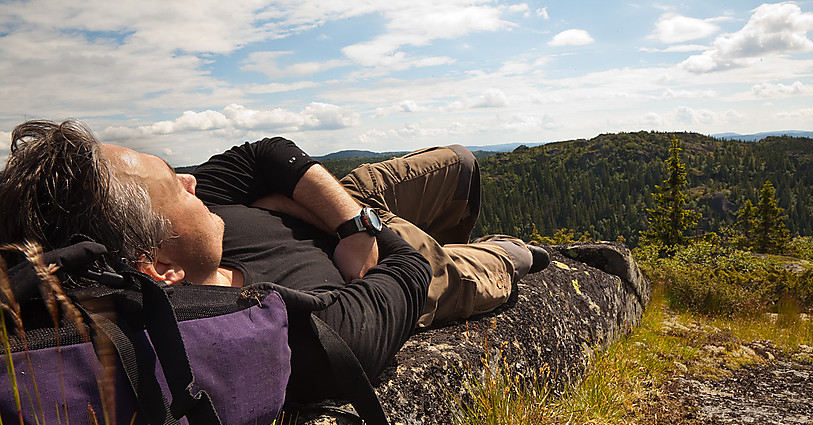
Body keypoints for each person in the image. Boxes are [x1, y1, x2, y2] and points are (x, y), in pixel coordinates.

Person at [0, 119, 547, 379]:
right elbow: (375, 310)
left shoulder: (160, 224)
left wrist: (353, 225)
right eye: (176, 186)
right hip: (405, 257)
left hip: (348, 207)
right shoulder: (253, 325)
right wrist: (382, 241)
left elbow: (267, 152)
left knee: (462, 164)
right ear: (158, 267)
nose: (192, 182)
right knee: (507, 262)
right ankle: (518, 250)